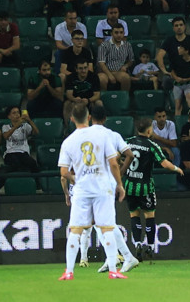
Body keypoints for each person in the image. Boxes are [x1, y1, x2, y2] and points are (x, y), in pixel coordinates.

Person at [57, 104, 129, 280]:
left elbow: (64, 172)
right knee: (107, 228)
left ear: (72, 119)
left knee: (75, 229)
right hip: (102, 187)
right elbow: (113, 163)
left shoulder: (68, 141)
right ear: (88, 117)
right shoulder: (101, 135)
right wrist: (119, 184)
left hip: (81, 190)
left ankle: (69, 271)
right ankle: (113, 270)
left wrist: (76, 180)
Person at [123, 118, 184, 260]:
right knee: (149, 216)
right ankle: (150, 246)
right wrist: (177, 168)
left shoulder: (128, 142)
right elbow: (165, 164)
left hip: (130, 186)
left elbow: (118, 157)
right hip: (145, 187)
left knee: (134, 215)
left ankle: (137, 243)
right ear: (149, 130)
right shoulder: (152, 145)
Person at [156, 17, 190, 92]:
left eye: (181, 25)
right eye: (176, 25)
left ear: (185, 26)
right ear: (173, 28)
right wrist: (164, 71)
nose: (179, 27)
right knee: (166, 80)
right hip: (175, 72)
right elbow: (160, 55)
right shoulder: (169, 40)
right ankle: (168, 102)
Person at [0, 107, 41, 189]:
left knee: (33, 163)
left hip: (23, 152)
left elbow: (36, 132)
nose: (17, 115)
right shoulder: (5, 126)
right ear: (9, 116)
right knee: (16, 163)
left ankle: (37, 186)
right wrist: (16, 126)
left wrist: (29, 120)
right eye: (14, 113)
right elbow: (6, 136)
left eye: (18, 112)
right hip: (10, 153)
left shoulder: (25, 126)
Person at [97, 23, 135, 92]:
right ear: (112, 33)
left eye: (121, 32)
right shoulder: (104, 45)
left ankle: (123, 99)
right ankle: (103, 100)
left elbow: (131, 60)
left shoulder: (127, 45)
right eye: (116, 32)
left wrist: (126, 66)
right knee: (101, 79)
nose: (119, 35)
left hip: (119, 72)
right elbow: (101, 63)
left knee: (126, 78)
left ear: (124, 33)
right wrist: (109, 75)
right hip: (105, 72)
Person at [63, 59, 103, 124]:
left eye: (85, 68)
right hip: (76, 101)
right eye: (80, 68)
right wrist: (74, 99)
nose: (83, 70)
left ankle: (100, 127)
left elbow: (97, 95)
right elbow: (69, 94)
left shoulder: (94, 76)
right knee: (67, 104)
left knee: (99, 102)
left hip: (90, 101)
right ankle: (68, 128)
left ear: (88, 67)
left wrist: (89, 100)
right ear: (76, 69)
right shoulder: (71, 77)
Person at [170, 40, 190, 116]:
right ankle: (177, 121)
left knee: (189, 99)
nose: (179, 49)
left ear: (186, 51)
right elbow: (172, 71)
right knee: (177, 105)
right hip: (177, 85)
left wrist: (186, 80)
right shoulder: (176, 59)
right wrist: (176, 78)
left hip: (188, 84)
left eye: (181, 48)